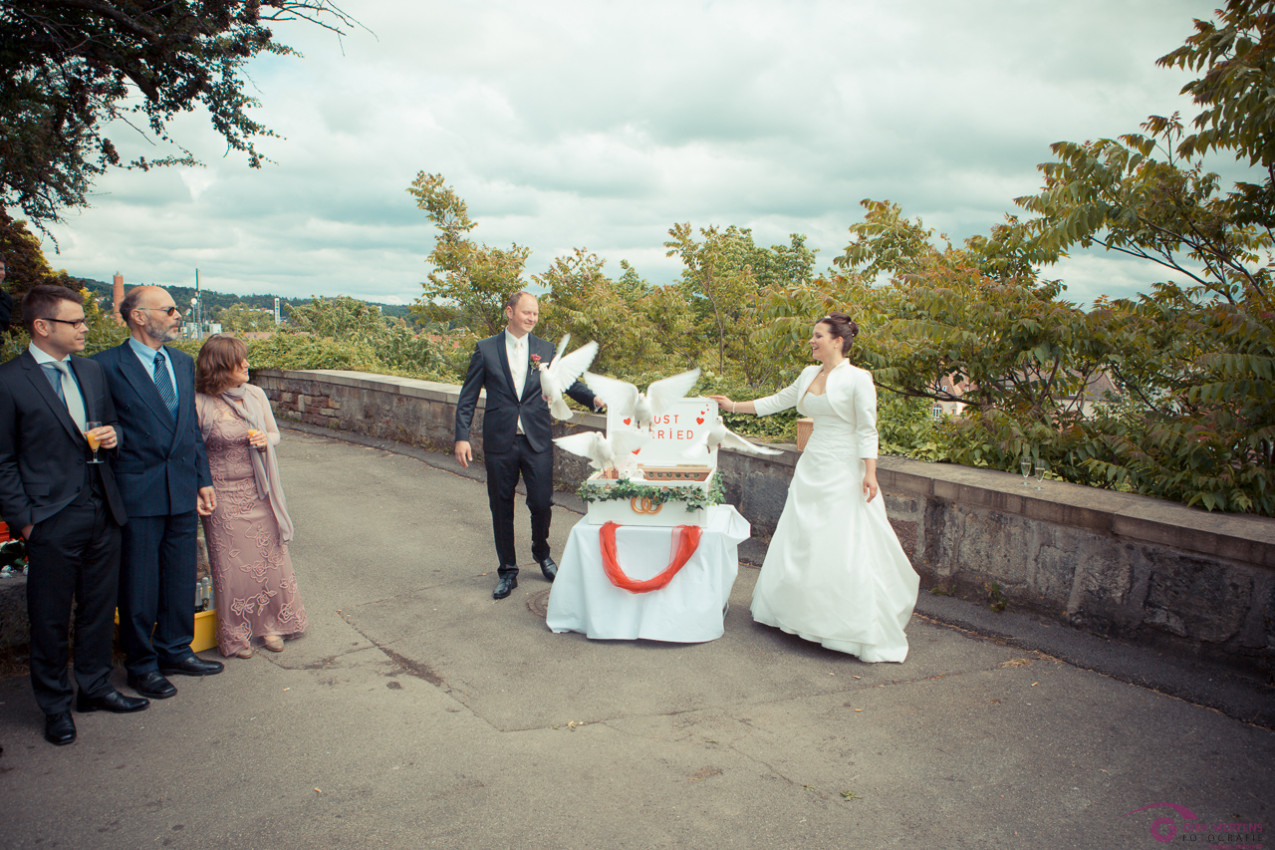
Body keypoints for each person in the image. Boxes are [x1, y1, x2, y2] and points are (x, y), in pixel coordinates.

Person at [710, 312, 920, 662]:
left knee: (838, 539)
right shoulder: (809, 374)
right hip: (814, 465)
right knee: (803, 536)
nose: (812, 341)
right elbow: (779, 401)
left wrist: (870, 473)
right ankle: (795, 615)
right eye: (813, 335)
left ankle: (843, 625)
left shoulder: (858, 379)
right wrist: (733, 406)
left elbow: (868, 429)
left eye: (818, 335)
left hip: (845, 468)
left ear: (837, 341)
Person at [0, 285, 147, 746]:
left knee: (100, 608)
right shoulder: (8, 381)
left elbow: (111, 426)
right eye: (76, 321)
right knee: (48, 617)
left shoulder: (90, 371)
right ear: (42, 327)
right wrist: (26, 519)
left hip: (102, 506)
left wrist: (112, 435)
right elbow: (2, 461)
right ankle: (55, 706)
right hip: (49, 517)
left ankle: (96, 687)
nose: (85, 328)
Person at [95, 285, 224, 700]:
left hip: (182, 487)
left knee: (180, 576)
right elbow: (102, 429)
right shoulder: (104, 367)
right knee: (139, 584)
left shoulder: (183, 363)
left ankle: (175, 649)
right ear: (138, 317)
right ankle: (141, 664)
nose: (177, 315)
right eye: (168, 309)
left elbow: (190, 429)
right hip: (137, 490)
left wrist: (203, 479)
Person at [454, 291, 604, 599]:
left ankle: (542, 552)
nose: (532, 318)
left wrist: (594, 399)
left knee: (541, 503)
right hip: (500, 441)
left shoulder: (545, 349)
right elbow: (468, 397)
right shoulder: (485, 350)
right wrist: (461, 436)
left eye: (535, 313)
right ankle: (507, 570)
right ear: (509, 312)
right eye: (526, 312)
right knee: (501, 507)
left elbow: (568, 383)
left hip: (536, 440)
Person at [194, 334, 307, 658]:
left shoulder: (255, 395)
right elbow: (193, 451)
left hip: (260, 491)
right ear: (220, 367)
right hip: (223, 495)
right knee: (233, 568)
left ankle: (271, 625)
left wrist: (264, 440)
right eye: (239, 361)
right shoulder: (200, 402)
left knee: (270, 562)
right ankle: (237, 633)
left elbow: (275, 433)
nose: (246, 365)